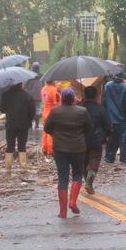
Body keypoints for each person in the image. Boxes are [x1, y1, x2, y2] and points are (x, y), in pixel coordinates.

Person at [43, 87, 91, 218]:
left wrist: (57, 134)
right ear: (73, 98)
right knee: (77, 175)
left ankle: (63, 212)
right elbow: (89, 128)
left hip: (60, 149)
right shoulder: (82, 111)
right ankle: (73, 201)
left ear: (62, 98)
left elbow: (47, 128)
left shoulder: (55, 111)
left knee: (62, 178)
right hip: (78, 148)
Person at [0, 79, 36, 176]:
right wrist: (28, 120)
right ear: (21, 84)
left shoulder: (6, 95)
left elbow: (1, 109)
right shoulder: (27, 95)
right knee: (22, 146)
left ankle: (8, 169)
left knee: (10, 146)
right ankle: (23, 168)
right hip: (23, 125)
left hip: (10, 124)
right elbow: (32, 111)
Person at [78, 85, 111, 195]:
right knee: (95, 158)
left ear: (85, 95)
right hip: (97, 139)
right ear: (96, 96)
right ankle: (90, 176)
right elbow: (108, 125)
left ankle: (86, 177)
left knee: (84, 160)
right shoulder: (100, 109)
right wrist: (108, 135)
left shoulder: (79, 109)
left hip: (81, 139)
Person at [102, 67, 126, 164]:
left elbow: (104, 102)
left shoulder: (107, 86)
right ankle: (125, 158)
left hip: (110, 118)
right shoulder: (125, 87)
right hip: (122, 118)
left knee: (112, 138)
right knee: (124, 138)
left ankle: (109, 157)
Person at [41, 80, 61, 154]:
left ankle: (44, 148)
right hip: (52, 112)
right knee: (51, 131)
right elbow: (56, 102)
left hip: (45, 111)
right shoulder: (53, 90)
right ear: (52, 81)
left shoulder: (43, 88)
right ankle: (51, 150)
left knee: (45, 131)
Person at [25, 62, 44, 130]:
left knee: (29, 110)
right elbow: (43, 85)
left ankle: (30, 124)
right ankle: (37, 124)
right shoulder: (42, 76)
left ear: (32, 68)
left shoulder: (29, 75)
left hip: (30, 96)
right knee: (37, 110)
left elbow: (25, 86)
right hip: (38, 96)